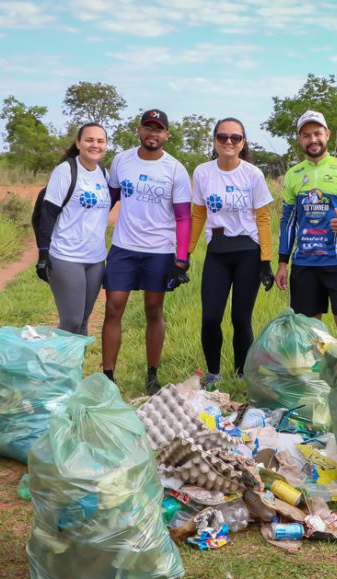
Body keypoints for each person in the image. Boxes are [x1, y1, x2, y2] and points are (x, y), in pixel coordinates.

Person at [103, 109, 192, 394]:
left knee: (154, 310)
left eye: (158, 129)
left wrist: (181, 259)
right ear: (139, 131)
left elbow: (183, 217)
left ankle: (152, 376)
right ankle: (108, 377)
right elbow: (109, 200)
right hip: (124, 248)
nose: (152, 134)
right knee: (113, 307)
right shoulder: (121, 161)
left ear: (166, 135)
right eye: (148, 128)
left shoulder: (176, 169)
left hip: (158, 251)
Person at [189, 118, 274, 388]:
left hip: (248, 251)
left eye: (235, 138)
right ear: (214, 141)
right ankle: (213, 373)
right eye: (223, 136)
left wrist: (266, 261)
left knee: (240, 317)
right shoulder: (202, 172)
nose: (229, 142)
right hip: (218, 251)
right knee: (211, 316)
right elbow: (198, 214)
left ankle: (241, 373)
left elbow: (263, 218)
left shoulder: (253, 174)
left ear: (243, 143)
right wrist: (185, 254)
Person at [274, 110, 337, 329]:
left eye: (317, 133)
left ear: (327, 134)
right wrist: (283, 263)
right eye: (306, 135)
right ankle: (314, 365)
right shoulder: (293, 174)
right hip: (304, 264)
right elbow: (288, 221)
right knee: (308, 330)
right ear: (300, 139)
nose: (313, 140)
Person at [35, 123, 111, 336]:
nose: (95, 145)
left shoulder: (103, 173)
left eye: (100, 141)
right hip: (66, 256)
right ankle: (56, 369)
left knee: (83, 322)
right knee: (71, 322)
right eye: (89, 140)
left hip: (95, 259)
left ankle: (74, 370)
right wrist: (43, 254)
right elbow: (47, 214)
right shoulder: (66, 170)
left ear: (105, 145)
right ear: (78, 143)